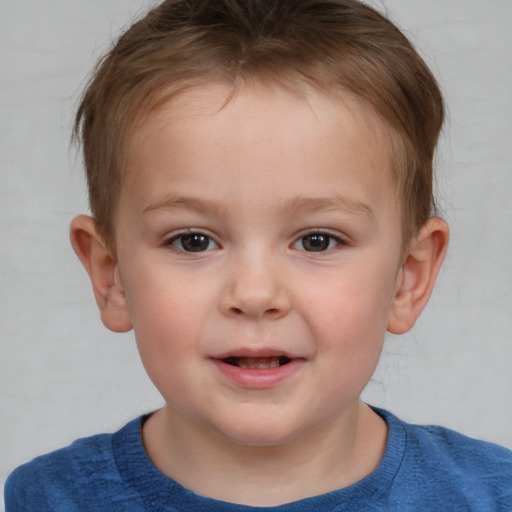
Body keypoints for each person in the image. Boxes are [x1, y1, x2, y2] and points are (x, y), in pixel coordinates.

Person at [4, 0, 512, 510]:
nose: (254, 294)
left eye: (317, 240)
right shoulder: (47, 499)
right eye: (193, 240)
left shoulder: (494, 495)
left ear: (408, 277)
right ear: (110, 275)